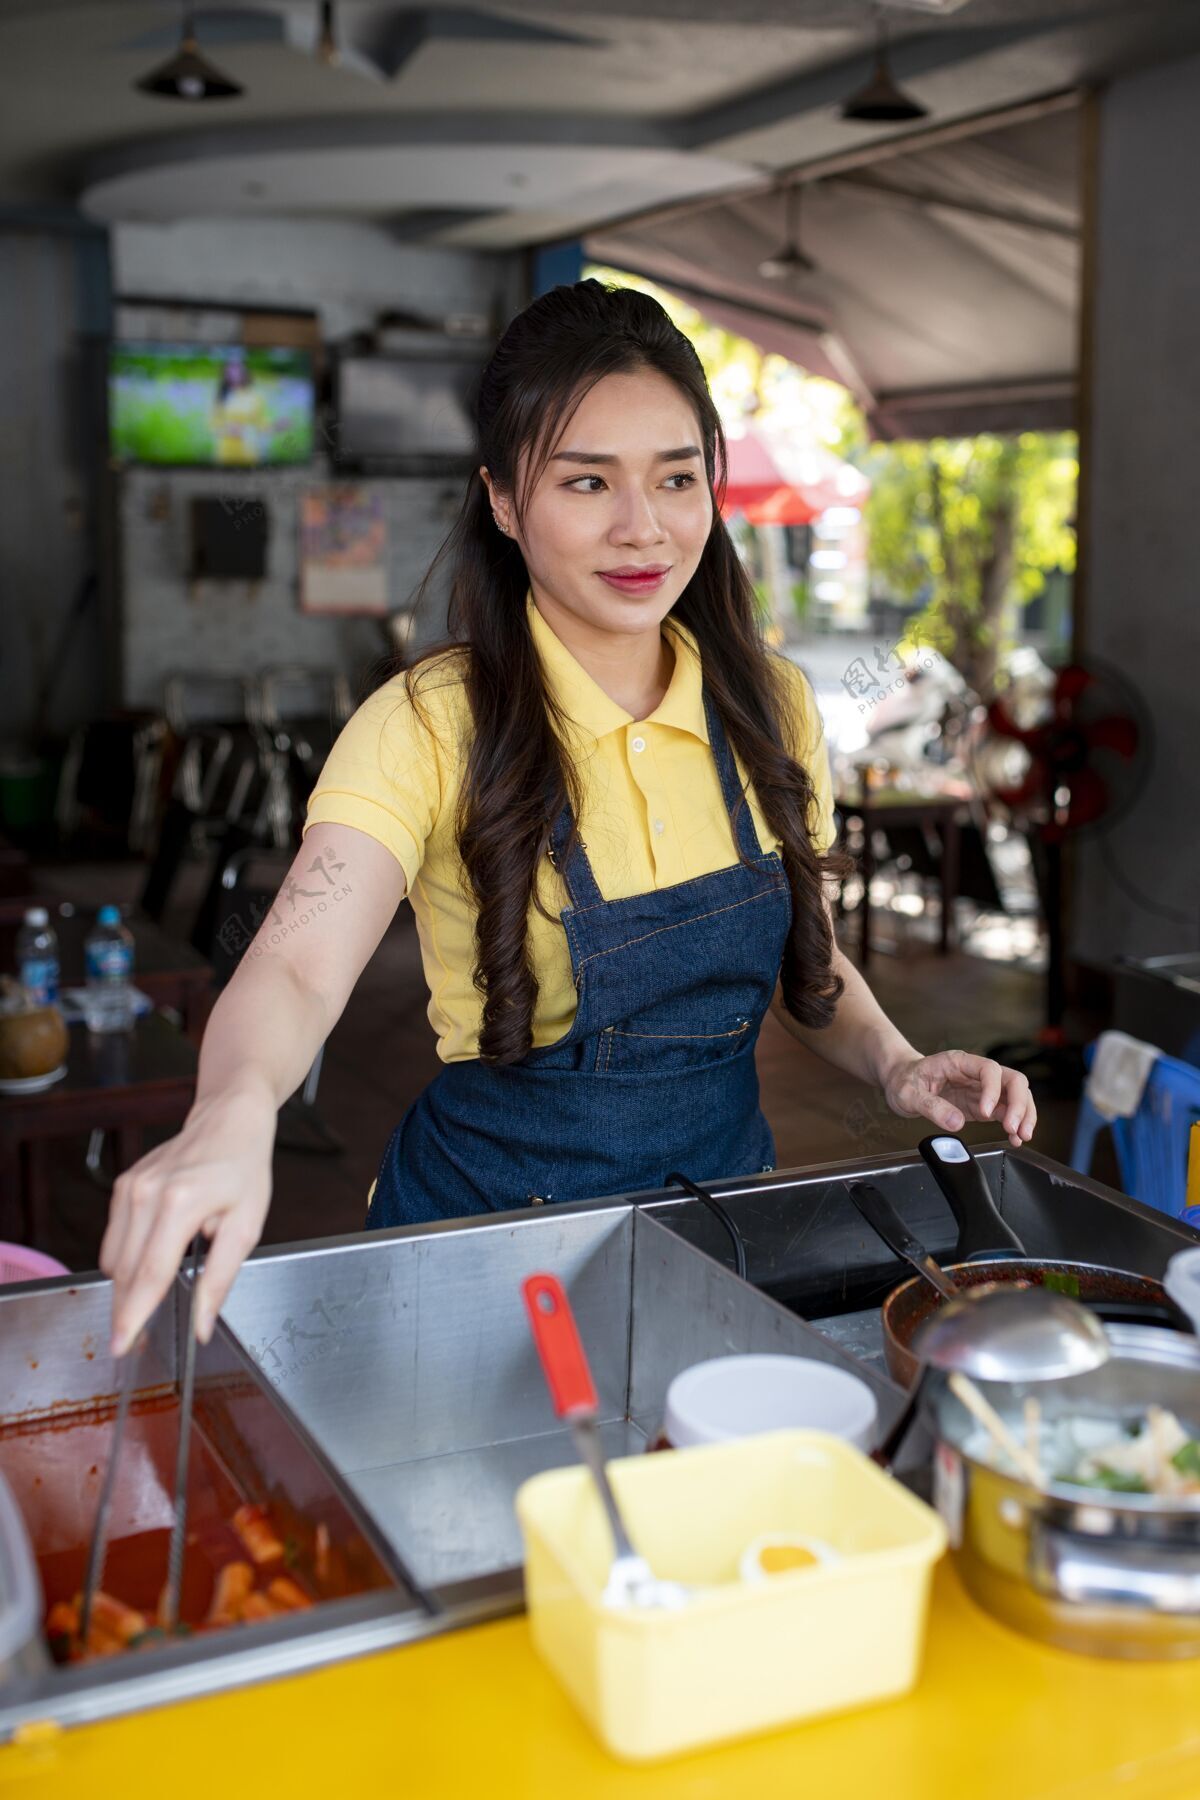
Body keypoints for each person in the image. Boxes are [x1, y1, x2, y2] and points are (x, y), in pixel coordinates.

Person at [102, 280, 1036, 1355]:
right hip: (485, 1244)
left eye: (676, 479)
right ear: (502, 500)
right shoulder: (429, 723)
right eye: (587, 481)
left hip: (719, 1223)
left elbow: (805, 969)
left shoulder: (770, 708)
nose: (642, 528)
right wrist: (230, 1117)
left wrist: (895, 1063)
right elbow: (299, 966)